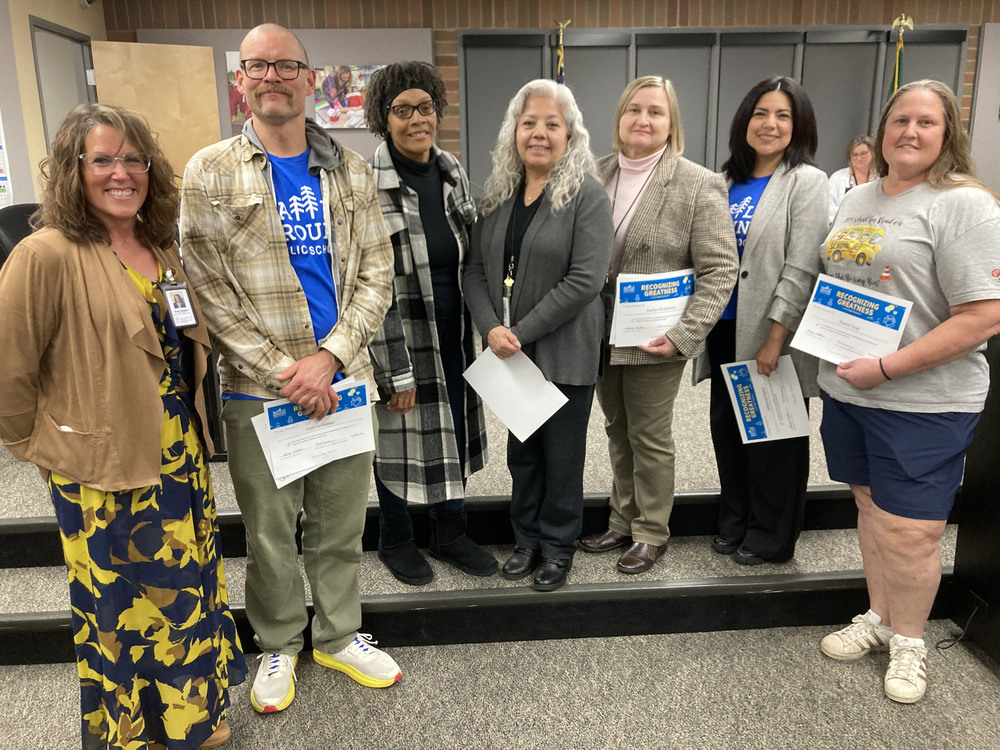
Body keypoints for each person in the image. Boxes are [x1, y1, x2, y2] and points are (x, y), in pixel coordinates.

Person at [0, 103, 246, 749]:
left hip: (177, 457)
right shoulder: (44, 254)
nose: (121, 172)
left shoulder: (159, 245)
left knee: (185, 590)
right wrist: (50, 449)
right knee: (123, 610)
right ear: (72, 171)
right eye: (102, 159)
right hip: (102, 472)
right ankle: (135, 732)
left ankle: (191, 716)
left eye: (132, 158)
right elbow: (8, 373)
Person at [180, 24, 399, 715]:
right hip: (257, 390)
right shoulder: (209, 171)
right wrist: (287, 370)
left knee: (339, 525)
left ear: (310, 78)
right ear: (239, 81)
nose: (272, 76)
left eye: (286, 65)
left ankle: (337, 635)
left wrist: (329, 359)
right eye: (258, 66)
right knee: (272, 531)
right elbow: (208, 289)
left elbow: (376, 274)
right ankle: (278, 641)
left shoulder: (351, 169)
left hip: (343, 380)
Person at [818, 80, 1000, 704]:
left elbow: (983, 316)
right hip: (851, 392)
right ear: (884, 126)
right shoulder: (856, 196)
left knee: (913, 531)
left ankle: (911, 643)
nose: (910, 133)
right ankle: (879, 617)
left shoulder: (964, 205)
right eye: (900, 120)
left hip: (923, 400)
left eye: (926, 123)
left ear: (947, 133)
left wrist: (889, 369)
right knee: (871, 509)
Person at [578, 76, 737, 573]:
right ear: (619, 118)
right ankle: (622, 519)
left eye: (655, 112)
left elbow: (720, 269)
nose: (643, 120)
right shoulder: (592, 173)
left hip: (656, 338)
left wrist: (682, 336)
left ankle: (651, 530)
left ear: (671, 124)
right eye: (634, 110)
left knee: (649, 434)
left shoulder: (697, 182)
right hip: (599, 333)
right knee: (617, 429)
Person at [464, 79, 613, 592]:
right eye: (529, 123)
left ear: (570, 135)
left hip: (563, 349)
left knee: (562, 456)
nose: (540, 133)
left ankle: (556, 547)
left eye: (552, 124)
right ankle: (525, 541)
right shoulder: (498, 195)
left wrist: (518, 332)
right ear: (514, 132)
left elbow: (586, 280)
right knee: (523, 453)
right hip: (510, 351)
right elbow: (474, 273)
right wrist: (491, 328)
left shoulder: (587, 196)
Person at [362, 61, 497, 585]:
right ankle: (395, 536)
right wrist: (391, 368)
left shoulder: (451, 171)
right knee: (397, 433)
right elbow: (365, 284)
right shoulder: (366, 184)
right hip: (399, 332)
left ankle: (450, 528)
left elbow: (472, 253)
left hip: (454, 328)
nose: (416, 119)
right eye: (402, 110)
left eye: (425, 107)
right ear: (383, 117)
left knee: (453, 428)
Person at [700, 75, 828, 565]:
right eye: (760, 113)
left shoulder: (806, 182)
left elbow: (802, 268)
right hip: (723, 327)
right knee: (729, 431)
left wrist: (777, 337)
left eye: (782, 116)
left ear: (799, 126)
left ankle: (771, 536)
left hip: (771, 330)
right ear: (744, 121)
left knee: (773, 437)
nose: (769, 124)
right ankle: (736, 519)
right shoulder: (725, 180)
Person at [828, 135, 876, 222]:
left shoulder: (880, 178)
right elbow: (829, 206)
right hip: (842, 225)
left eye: (863, 154)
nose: (859, 158)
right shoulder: (837, 178)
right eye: (854, 155)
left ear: (872, 153)